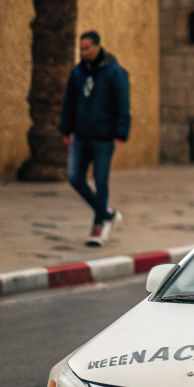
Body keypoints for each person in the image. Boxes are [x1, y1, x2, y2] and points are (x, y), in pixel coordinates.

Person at [59, 31, 130, 248]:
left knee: (101, 181)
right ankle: (107, 213)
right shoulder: (78, 73)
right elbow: (69, 102)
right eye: (80, 48)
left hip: (104, 137)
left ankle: (98, 226)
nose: (83, 52)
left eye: (86, 48)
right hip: (81, 136)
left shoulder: (114, 72)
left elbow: (123, 103)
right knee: (74, 177)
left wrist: (121, 132)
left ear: (98, 46)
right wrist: (66, 130)